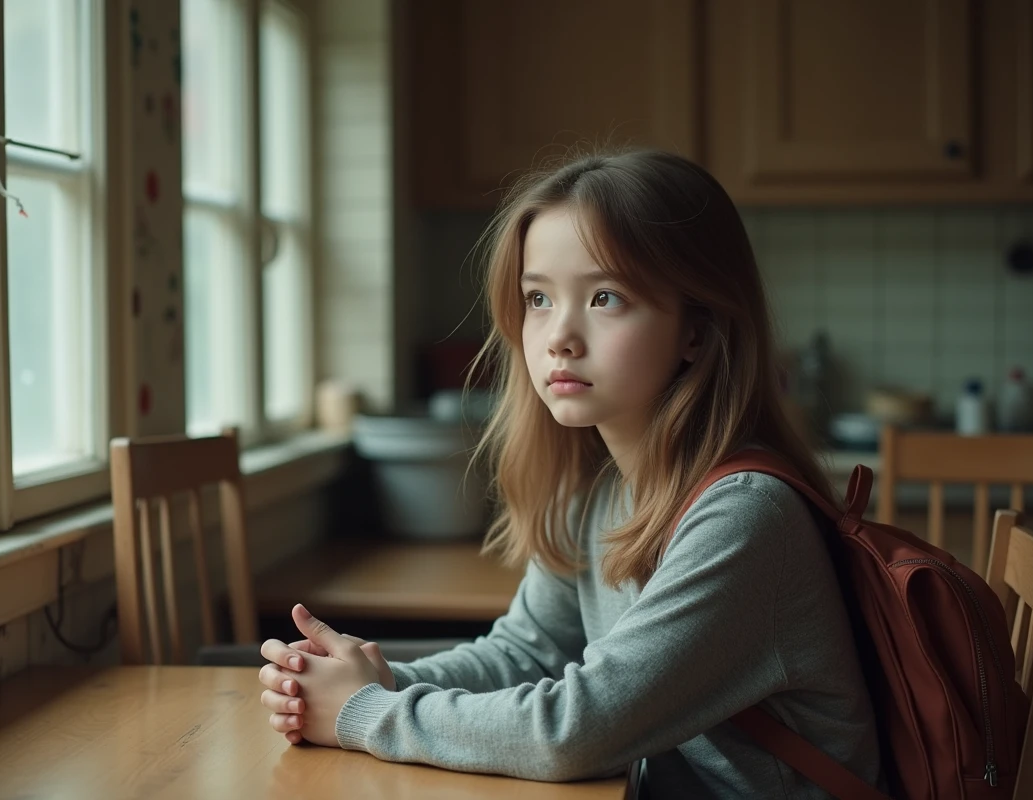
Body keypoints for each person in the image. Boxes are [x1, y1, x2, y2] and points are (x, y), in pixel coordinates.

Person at [256, 150, 883, 798]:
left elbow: (574, 731)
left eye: (605, 296)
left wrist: (364, 713)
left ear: (696, 328)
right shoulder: (600, 486)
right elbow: (524, 654)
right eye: (538, 298)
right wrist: (369, 682)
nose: (558, 335)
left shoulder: (747, 517)